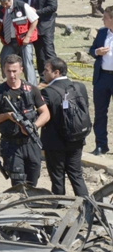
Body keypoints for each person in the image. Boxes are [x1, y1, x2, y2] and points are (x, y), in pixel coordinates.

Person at [0, 54, 50, 187]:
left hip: (31, 142)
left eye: (14, 71)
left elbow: (45, 113)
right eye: (8, 71)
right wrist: (6, 116)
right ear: (4, 70)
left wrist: (34, 126)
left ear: (21, 70)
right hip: (11, 145)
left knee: (33, 181)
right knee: (18, 183)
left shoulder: (31, 90)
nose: (12, 75)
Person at [40, 58, 89, 196]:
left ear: (56, 72)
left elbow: (43, 115)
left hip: (55, 142)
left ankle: (59, 204)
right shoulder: (80, 87)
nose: (43, 73)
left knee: (57, 176)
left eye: (46, 70)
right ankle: (86, 204)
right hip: (77, 138)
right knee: (76, 174)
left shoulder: (47, 92)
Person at [0, 0, 38, 86]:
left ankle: (32, 86)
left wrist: (28, 37)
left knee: (27, 63)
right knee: (4, 59)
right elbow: (1, 23)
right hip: (10, 41)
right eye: (2, 4)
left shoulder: (22, 6)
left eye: (6, 4)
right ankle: (10, 82)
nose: (4, 6)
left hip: (24, 40)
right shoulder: (1, 9)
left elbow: (35, 20)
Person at [25, 0, 58, 82]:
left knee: (48, 52)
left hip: (45, 26)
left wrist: (36, 12)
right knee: (39, 54)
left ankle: (56, 78)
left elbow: (53, 7)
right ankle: (43, 79)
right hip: (32, 26)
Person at [89, 5, 113, 155]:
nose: (102, 20)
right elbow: (91, 50)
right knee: (100, 113)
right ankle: (101, 145)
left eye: (105, 18)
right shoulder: (103, 32)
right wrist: (97, 52)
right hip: (102, 77)